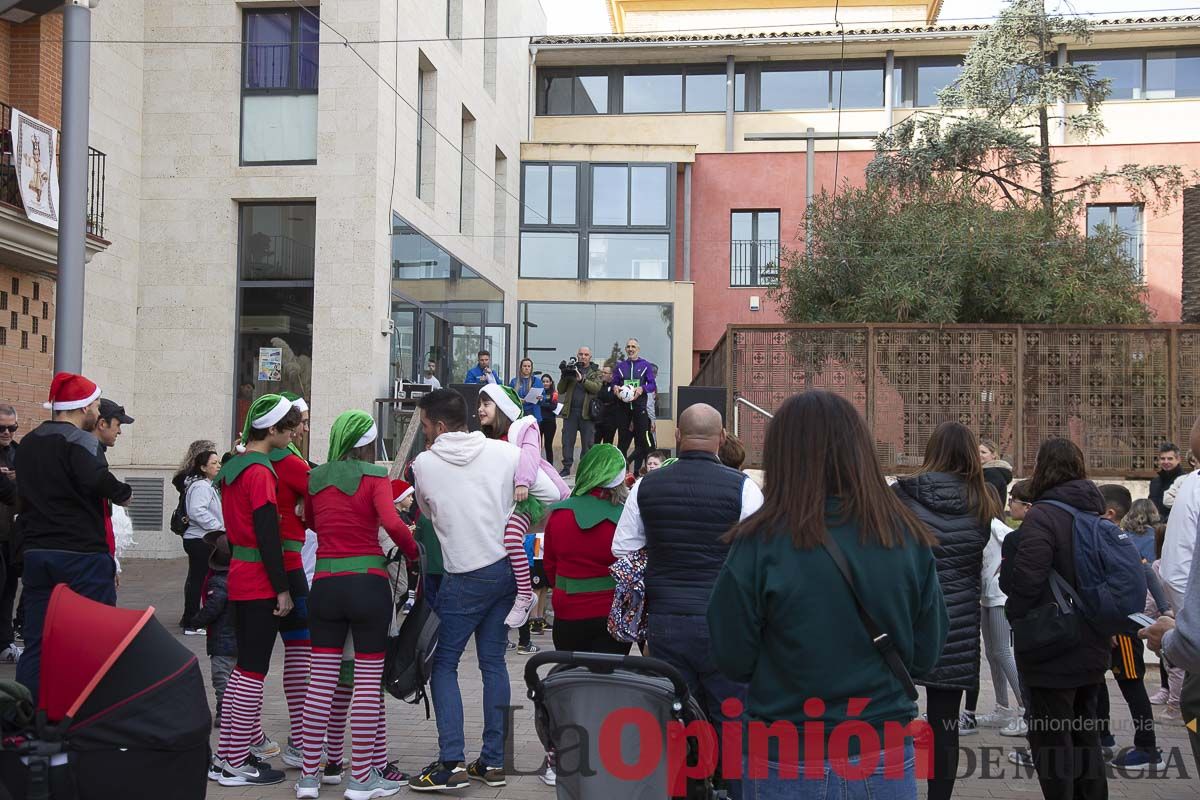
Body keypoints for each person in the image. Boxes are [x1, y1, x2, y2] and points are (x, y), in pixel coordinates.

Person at [709, 391, 948, 798]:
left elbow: (732, 657)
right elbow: (926, 654)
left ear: (783, 455)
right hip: (883, 746)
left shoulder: (758, 543)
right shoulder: (906, 538)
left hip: (785, 749)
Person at [408, 388, 562, 792]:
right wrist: (518, 516)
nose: (424, 433)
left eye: (425, 426)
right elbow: (554, 493)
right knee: (492, 663)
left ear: (439, 426)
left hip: (464, 575)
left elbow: (426, 511)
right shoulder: (507, 454)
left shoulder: (424, 464)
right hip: (506, 570)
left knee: (444, 665)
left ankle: (451, 763)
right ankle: (492, 763)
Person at [612, 403, 763, 800]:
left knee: (675, 721)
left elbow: (623, 550)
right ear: (721, 438)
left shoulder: (647, 485)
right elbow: (763, 555)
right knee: (735, 723)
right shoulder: (743, 487)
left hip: (667, 622)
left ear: (677, 437)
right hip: (726, 625)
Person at [295, 410, 419, 800]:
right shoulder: (375, 477)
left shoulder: (315, 478)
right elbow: (393, 524)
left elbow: (310, 521)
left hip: (326, 586)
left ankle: (308, 779)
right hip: (368, 584)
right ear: (367, 443)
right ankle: (362, 778)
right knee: (367, 683)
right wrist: (414, 553)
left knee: (321, 683)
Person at [891, 421, 996, 800]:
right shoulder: (984, 499)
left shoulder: (903, 494)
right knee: (945, 724)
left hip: (909, 615)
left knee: (891, 713)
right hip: (958, 622)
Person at [1000, 437, 1110, 800]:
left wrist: (1016, 615)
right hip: (1093, 639)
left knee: (1051, 740)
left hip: (1052, 646)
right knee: (1085, 733)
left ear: (1043, 468)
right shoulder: (1095, 511)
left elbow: (1028, 577)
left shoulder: (1044, 516)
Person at [14, 373, 132, 699]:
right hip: (81, 554)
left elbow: (20, 496)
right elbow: (95, 479)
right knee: (95, 637)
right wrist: (123, 492)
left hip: (38, 553)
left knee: (38, 639)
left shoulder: (29, 442)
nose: (97, 410)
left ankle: (27, 716)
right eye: (95, 404)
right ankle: (87, 714)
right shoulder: (82, 442)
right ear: (83, 408)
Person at [212, 394, 302, 787]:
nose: (295, 433)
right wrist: (282, 589)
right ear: (270, 430)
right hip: (260, 578)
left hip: (239, 573)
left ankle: (227, 756)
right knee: (252, 672)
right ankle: (234, 762)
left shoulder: (233, 467)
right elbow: (268, 533)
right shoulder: (262, 472)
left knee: (242, 671)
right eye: (289, 427)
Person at [475, 384, 569, 629]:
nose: (480, 410)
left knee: (512, 538)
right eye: (480, 405)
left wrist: (523, 482)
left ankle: (525, 594)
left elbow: (530, 454)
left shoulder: (523, 426)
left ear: (502, 407)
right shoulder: (489, 439)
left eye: (486, 404)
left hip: (529, 496)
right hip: (510, 500)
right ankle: (513, 592)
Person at [1091, 492, 1167, 771]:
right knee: (1097, 680)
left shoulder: (1112, 537)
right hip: (1105, 625)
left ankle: (1147, 747)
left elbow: (1146, 572)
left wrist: (1165, 608)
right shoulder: (1106, 534)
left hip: (1122, 627)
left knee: (1131, 685)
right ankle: (1103, 737)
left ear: (1110, 513)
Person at [174, 447, 223, 635]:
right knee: (198, 580)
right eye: (213, 463)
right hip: (199, 540)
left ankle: (193, 619)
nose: (218, 466)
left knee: (199, 579)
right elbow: (197, 511)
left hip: (202, 538)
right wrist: (218, 527)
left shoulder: (207, 485)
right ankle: (192, 621)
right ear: (203, 467)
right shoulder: (201, 486)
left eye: (218, 462)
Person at [191, 531, 234, 729]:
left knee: (221, 678)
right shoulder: (237, 577)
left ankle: (224, 710)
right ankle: (237, 709)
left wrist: (197, 620)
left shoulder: (217, 582)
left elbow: (213, 607)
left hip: (222, 641)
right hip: (237, 638)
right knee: (235, 677)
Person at [612, 339, 657, 474]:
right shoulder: (620, 367)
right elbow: (613, 383)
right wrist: (615, 388)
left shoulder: (645, 365)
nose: (630, 349)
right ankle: (621, 474)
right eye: (628, 347)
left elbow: (652, 385)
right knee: (622, 444)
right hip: (624, 410)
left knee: (646, 442)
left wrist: (642, 389)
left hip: (640, 409)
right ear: (625, 349)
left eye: (633, 347)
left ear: (638, 349)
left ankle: (651, 471)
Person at [556, 346, 601, 478]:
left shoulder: (595, 372)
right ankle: (566, 467)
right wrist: (565, 375)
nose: (583, 357)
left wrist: (582, 379)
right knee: (567, 441)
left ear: (590, 357)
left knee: (588, 443)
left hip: (587, 413)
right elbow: (560, 390)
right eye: (581, 354)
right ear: (577, 355)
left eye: (586, 355)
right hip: (571, 412)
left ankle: (584, 469)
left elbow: (597, 388)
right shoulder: (571, 369)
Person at [0, 403, 21, 663]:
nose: (6, 432)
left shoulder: (19, 453)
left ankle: (5, 643)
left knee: (8, 590)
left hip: (12, 536)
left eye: (11, 427)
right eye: (1, 427)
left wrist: (21, 478)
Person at [1150, 442, 1184, 519]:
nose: (1166, 462)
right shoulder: (1155, 482)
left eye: (1170, 458)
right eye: (1162, 458)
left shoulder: (1184, 481)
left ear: (1178, 459)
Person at [979, 438, 1013, 507]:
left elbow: (986, 498)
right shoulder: (992, 471)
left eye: (983, 452)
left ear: (993, 455)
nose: (979, 455)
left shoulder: (991, 473)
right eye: (977, 452)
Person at [593, 365, 620, 446]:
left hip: (610, 421)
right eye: (602, 372)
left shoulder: (615, 387)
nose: (602, 374)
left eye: (605, 372)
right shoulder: (599, 385)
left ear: (611, 375)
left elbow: (610, 398)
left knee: (607, 444)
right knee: (594, 443)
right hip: (598, 420)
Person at [509, 358, 543, 423]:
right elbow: (510, 396)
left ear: (531, 368)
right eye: (524, 366)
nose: (526, 368)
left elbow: (543, 397)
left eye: (528, 366)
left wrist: (541, 398)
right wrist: (518, 400)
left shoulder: (537, 381)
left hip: (533, 414)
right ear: (521, 368)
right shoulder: (514, 381)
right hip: (519, 414)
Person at [537, 374, 558, 465]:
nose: (545, 383)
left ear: (550, 382)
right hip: (539, 421)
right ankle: (536, 464)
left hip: (550, 422)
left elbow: (553, 406)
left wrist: (543, 401)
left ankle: (550, 466)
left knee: (548, 445)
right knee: (537, 445)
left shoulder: (554, 393)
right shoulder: (538, 392)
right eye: (543, 381)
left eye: (547, 381)